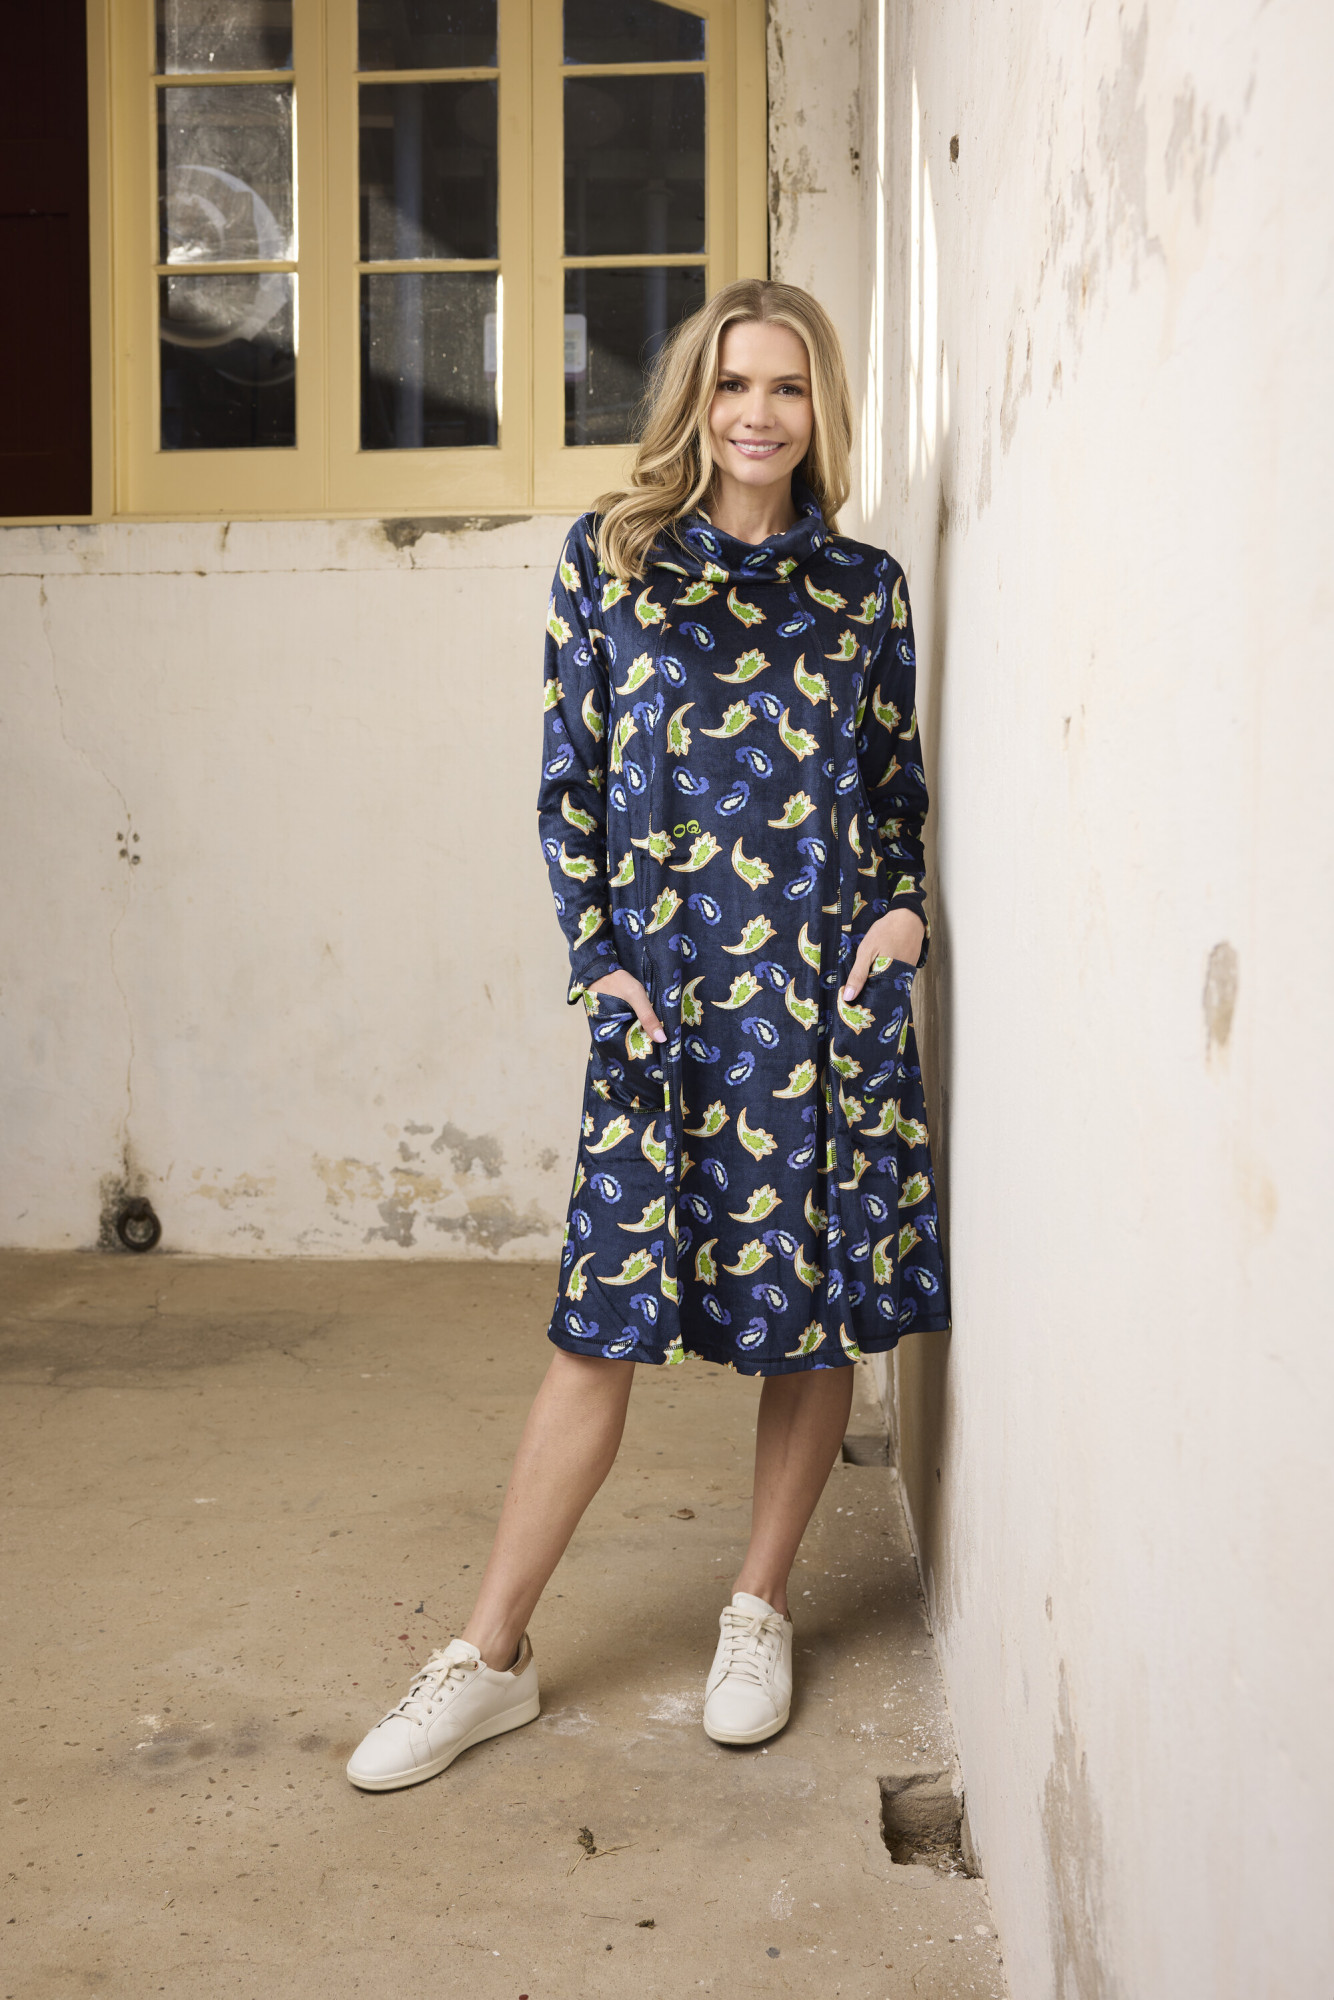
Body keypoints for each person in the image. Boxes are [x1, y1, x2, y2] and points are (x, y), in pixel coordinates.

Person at [346, 279, 949, 1794]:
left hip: (819, 1008)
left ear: (820, 412)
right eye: (735, 383)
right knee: (595, 1333)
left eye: (789, 388)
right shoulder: (611, 562)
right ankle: (489, 1654)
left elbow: (894, 795)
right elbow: (570, 784)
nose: (759, 414)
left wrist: (899, 920)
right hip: (665, 1012)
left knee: (809, 1318)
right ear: (696, 399)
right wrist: (597, 966)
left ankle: (758, 1609)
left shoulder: (864, 591)